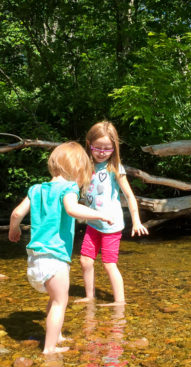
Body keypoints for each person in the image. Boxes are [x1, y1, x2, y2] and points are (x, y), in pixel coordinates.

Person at [9, 141, 114, 355]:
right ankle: (49, 349)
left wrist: (14, 230)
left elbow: (16, 214)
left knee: (53, 299)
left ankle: (56, 335)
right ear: (76, 170)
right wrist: (100, 214)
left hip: (35, 259)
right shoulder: (68, 188)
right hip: (55, 260)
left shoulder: (36, 189)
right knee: (59, 302)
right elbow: (71, 209)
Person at [77, 121, 149, 306]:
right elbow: (75, 190)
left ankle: (119, 302)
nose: (102, 152)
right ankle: (90, 296)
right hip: (93, 224)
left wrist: (136, 221)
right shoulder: (86, 165)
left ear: (114, 148)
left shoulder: (114, 168)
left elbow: (130, 196)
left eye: (107, 149)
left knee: (109, 264)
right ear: (89, 145)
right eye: (98, 148)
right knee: (85, 261)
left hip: (111, 226)